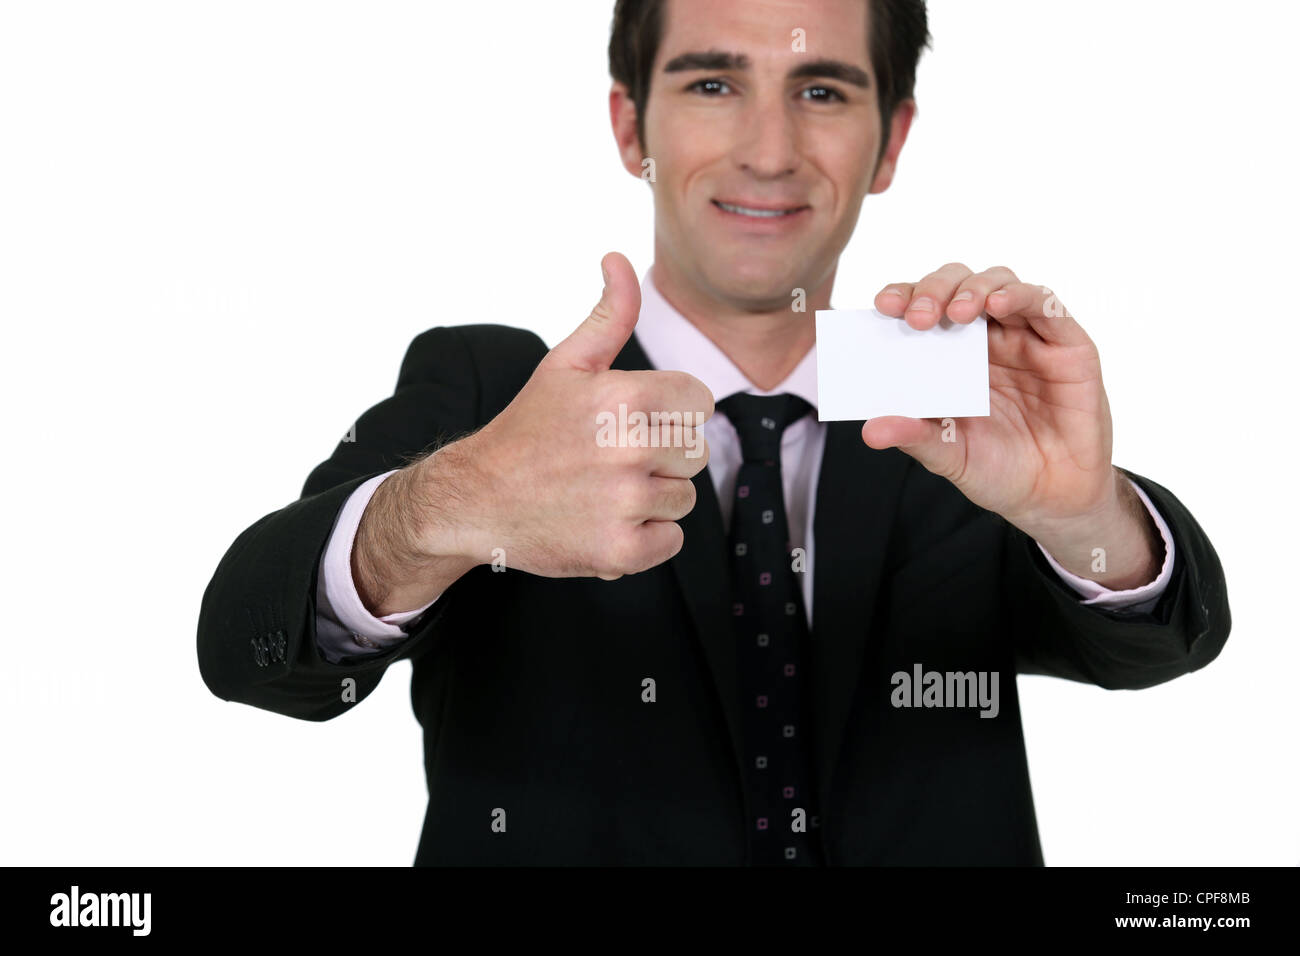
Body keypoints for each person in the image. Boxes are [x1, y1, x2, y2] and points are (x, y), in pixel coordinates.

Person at [197, 0, 1230, 865]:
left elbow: (1152, 646)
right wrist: (444, 506)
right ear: (630, 128)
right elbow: (249, 649)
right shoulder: (492, 392)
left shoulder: (951, 418)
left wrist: (1083, 513)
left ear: (892, 141)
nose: (768, 151)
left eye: (821, 91)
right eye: (710, 83)